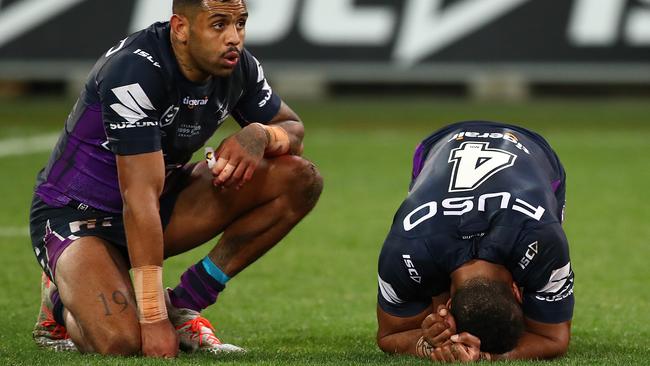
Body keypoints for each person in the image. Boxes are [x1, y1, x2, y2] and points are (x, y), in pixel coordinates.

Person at [29, 0, 323, 358]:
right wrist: (151, 321)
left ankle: (182, 304)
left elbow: (293, 129)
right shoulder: (134, 70)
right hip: (76, 217)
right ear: (181, 28)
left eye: (240, 23)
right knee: (124, 342)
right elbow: (137, 198)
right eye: (219, 25)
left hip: (159, 201)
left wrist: (260, 134)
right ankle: (60, 300)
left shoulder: (238, 67)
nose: (234, 38)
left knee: (299, 179)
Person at [376, 121, 573, 362]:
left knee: (434, 274)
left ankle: (462, 321)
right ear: (517, 291)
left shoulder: (405, 249)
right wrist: (430, 340)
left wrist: (479, 355)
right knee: (537, 280)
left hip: (517, 150)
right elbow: (553, 338)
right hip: (460, 146)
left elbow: (553, 340)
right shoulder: (543, 242)